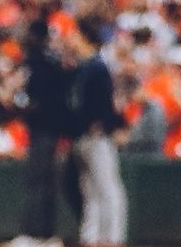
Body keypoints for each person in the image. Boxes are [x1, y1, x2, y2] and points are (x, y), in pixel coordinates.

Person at [10, 22, 74, 247]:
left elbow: (35, 100)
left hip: (43, 129)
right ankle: (45, 234)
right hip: (50, 129)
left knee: (38, 181)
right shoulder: (51, 61)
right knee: (44, 182)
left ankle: (35, 235)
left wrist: (21, 105)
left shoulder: (38, 63)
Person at [71, 21, 126, 247]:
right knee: (90, 190)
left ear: (85, 38)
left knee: (108, 189)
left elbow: (106, 103)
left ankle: (112, 238)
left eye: (75, 35)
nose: (70, 39)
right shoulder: (83, 67)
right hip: (83, 135)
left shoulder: (98, 67)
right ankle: (91, 237)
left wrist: (109, 125)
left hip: (98, 136)